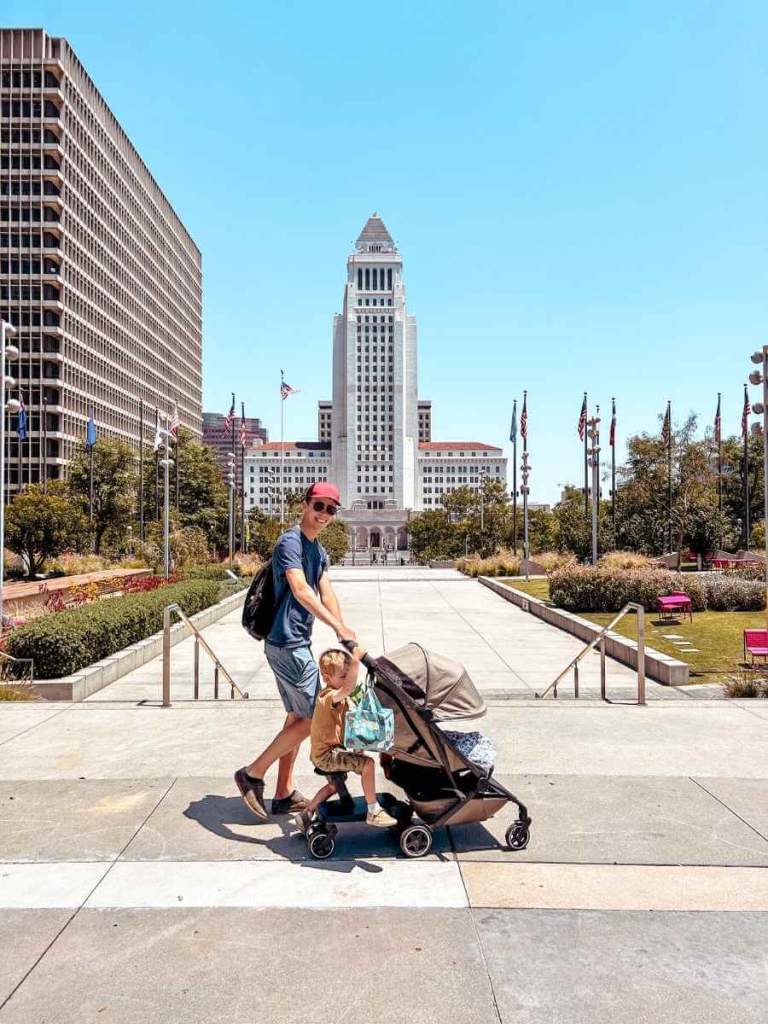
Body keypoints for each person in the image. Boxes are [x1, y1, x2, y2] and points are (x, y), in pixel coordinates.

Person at [234, 481, 355, 819]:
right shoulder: (290, 542)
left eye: (331, 509)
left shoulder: (318, 550)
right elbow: (301, 589)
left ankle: (283, 793)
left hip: (296, 641)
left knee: (297, 717)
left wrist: (343, 630)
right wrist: (336, 626)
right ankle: (252, 774)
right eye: (318, 506)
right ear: (304, 505)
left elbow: (326, 592)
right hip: (285, 642)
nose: (324, 514)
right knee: (318, 716)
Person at [297, 646, 397, 831]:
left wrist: (357, 746)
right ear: (327, 678)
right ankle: (373, 811)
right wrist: (356, 659)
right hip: (327, 755)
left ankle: (306, 814)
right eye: (343, 676)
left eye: (347, 675)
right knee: (368, 764)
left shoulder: (338, 700)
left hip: (324, 753)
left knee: (333, 786)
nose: (347, 680)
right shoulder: (328, 697)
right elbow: (349, 687)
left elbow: (344, 727)